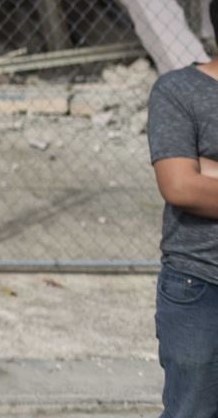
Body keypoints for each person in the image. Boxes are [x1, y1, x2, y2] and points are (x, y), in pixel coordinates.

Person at [147, 44, 218, 418]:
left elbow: (190, 179)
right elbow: (181, 187)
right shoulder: (178, 90)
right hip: (200, 284)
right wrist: (191, 174)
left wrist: (206, 167)